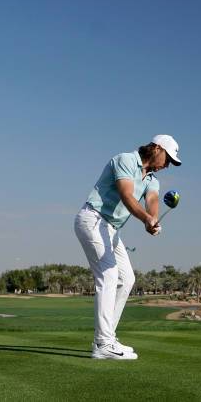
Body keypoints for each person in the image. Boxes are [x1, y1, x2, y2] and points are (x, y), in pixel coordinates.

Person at [74, 135, 181, 360]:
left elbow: (151, 201)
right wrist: (145, 219)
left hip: (112, 229)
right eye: (168, 158)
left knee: (127, 279)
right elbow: (126, 194)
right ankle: (103, 343)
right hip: (93, 219)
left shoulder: (153, 180)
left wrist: (153, 220)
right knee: (109, 275)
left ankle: (106, 338)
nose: (168, 165)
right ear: (156, 148)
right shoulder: (125, 160)